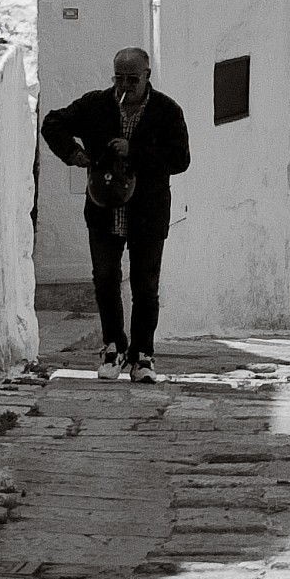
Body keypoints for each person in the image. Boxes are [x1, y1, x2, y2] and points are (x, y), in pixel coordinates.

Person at [40, 47, 190, 383]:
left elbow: (180, 158)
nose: (124, 86)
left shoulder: (166, 111)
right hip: (104, 208)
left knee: (145, 286)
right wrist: (73, 153)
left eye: (132, 79)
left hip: (147, 212)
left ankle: (143, 356)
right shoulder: (96, 104)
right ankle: (114, 347)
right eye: (119, 78)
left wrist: (134, 151)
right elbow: (53, 122)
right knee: (105, 279)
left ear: (147, 76)